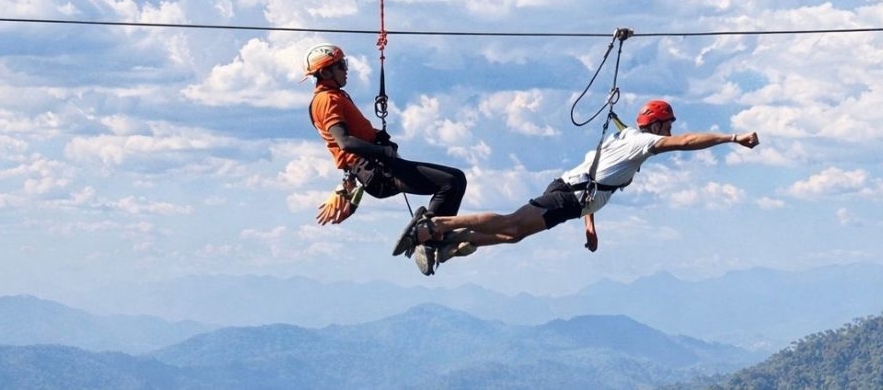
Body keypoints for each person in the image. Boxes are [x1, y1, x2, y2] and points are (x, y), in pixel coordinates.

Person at [394, 99, 759, 262]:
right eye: (669, 124)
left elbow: (597, 178)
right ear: (659, 124)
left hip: (571, 197)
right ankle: (434, 226)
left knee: (514, 234)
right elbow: (687, 142)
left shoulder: (626, 139)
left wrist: (589, 223)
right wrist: (732, 137)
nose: (672, 130)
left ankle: (448, 242)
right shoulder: (642, 143)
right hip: (568, 197)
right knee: (510, 224)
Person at [305, 43, 469, 273]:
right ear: (325, 72)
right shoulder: (327, 100)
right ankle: (427, 236)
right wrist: (383, 152)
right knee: (451, 182)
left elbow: (352, 137)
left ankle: (434, 236)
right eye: (341, 65)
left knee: (455, 180)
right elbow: (344, 142)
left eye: (344, 64)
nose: (346, 69)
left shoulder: (333, 96)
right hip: (377, 170)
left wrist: (377, 138)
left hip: (376, 168)